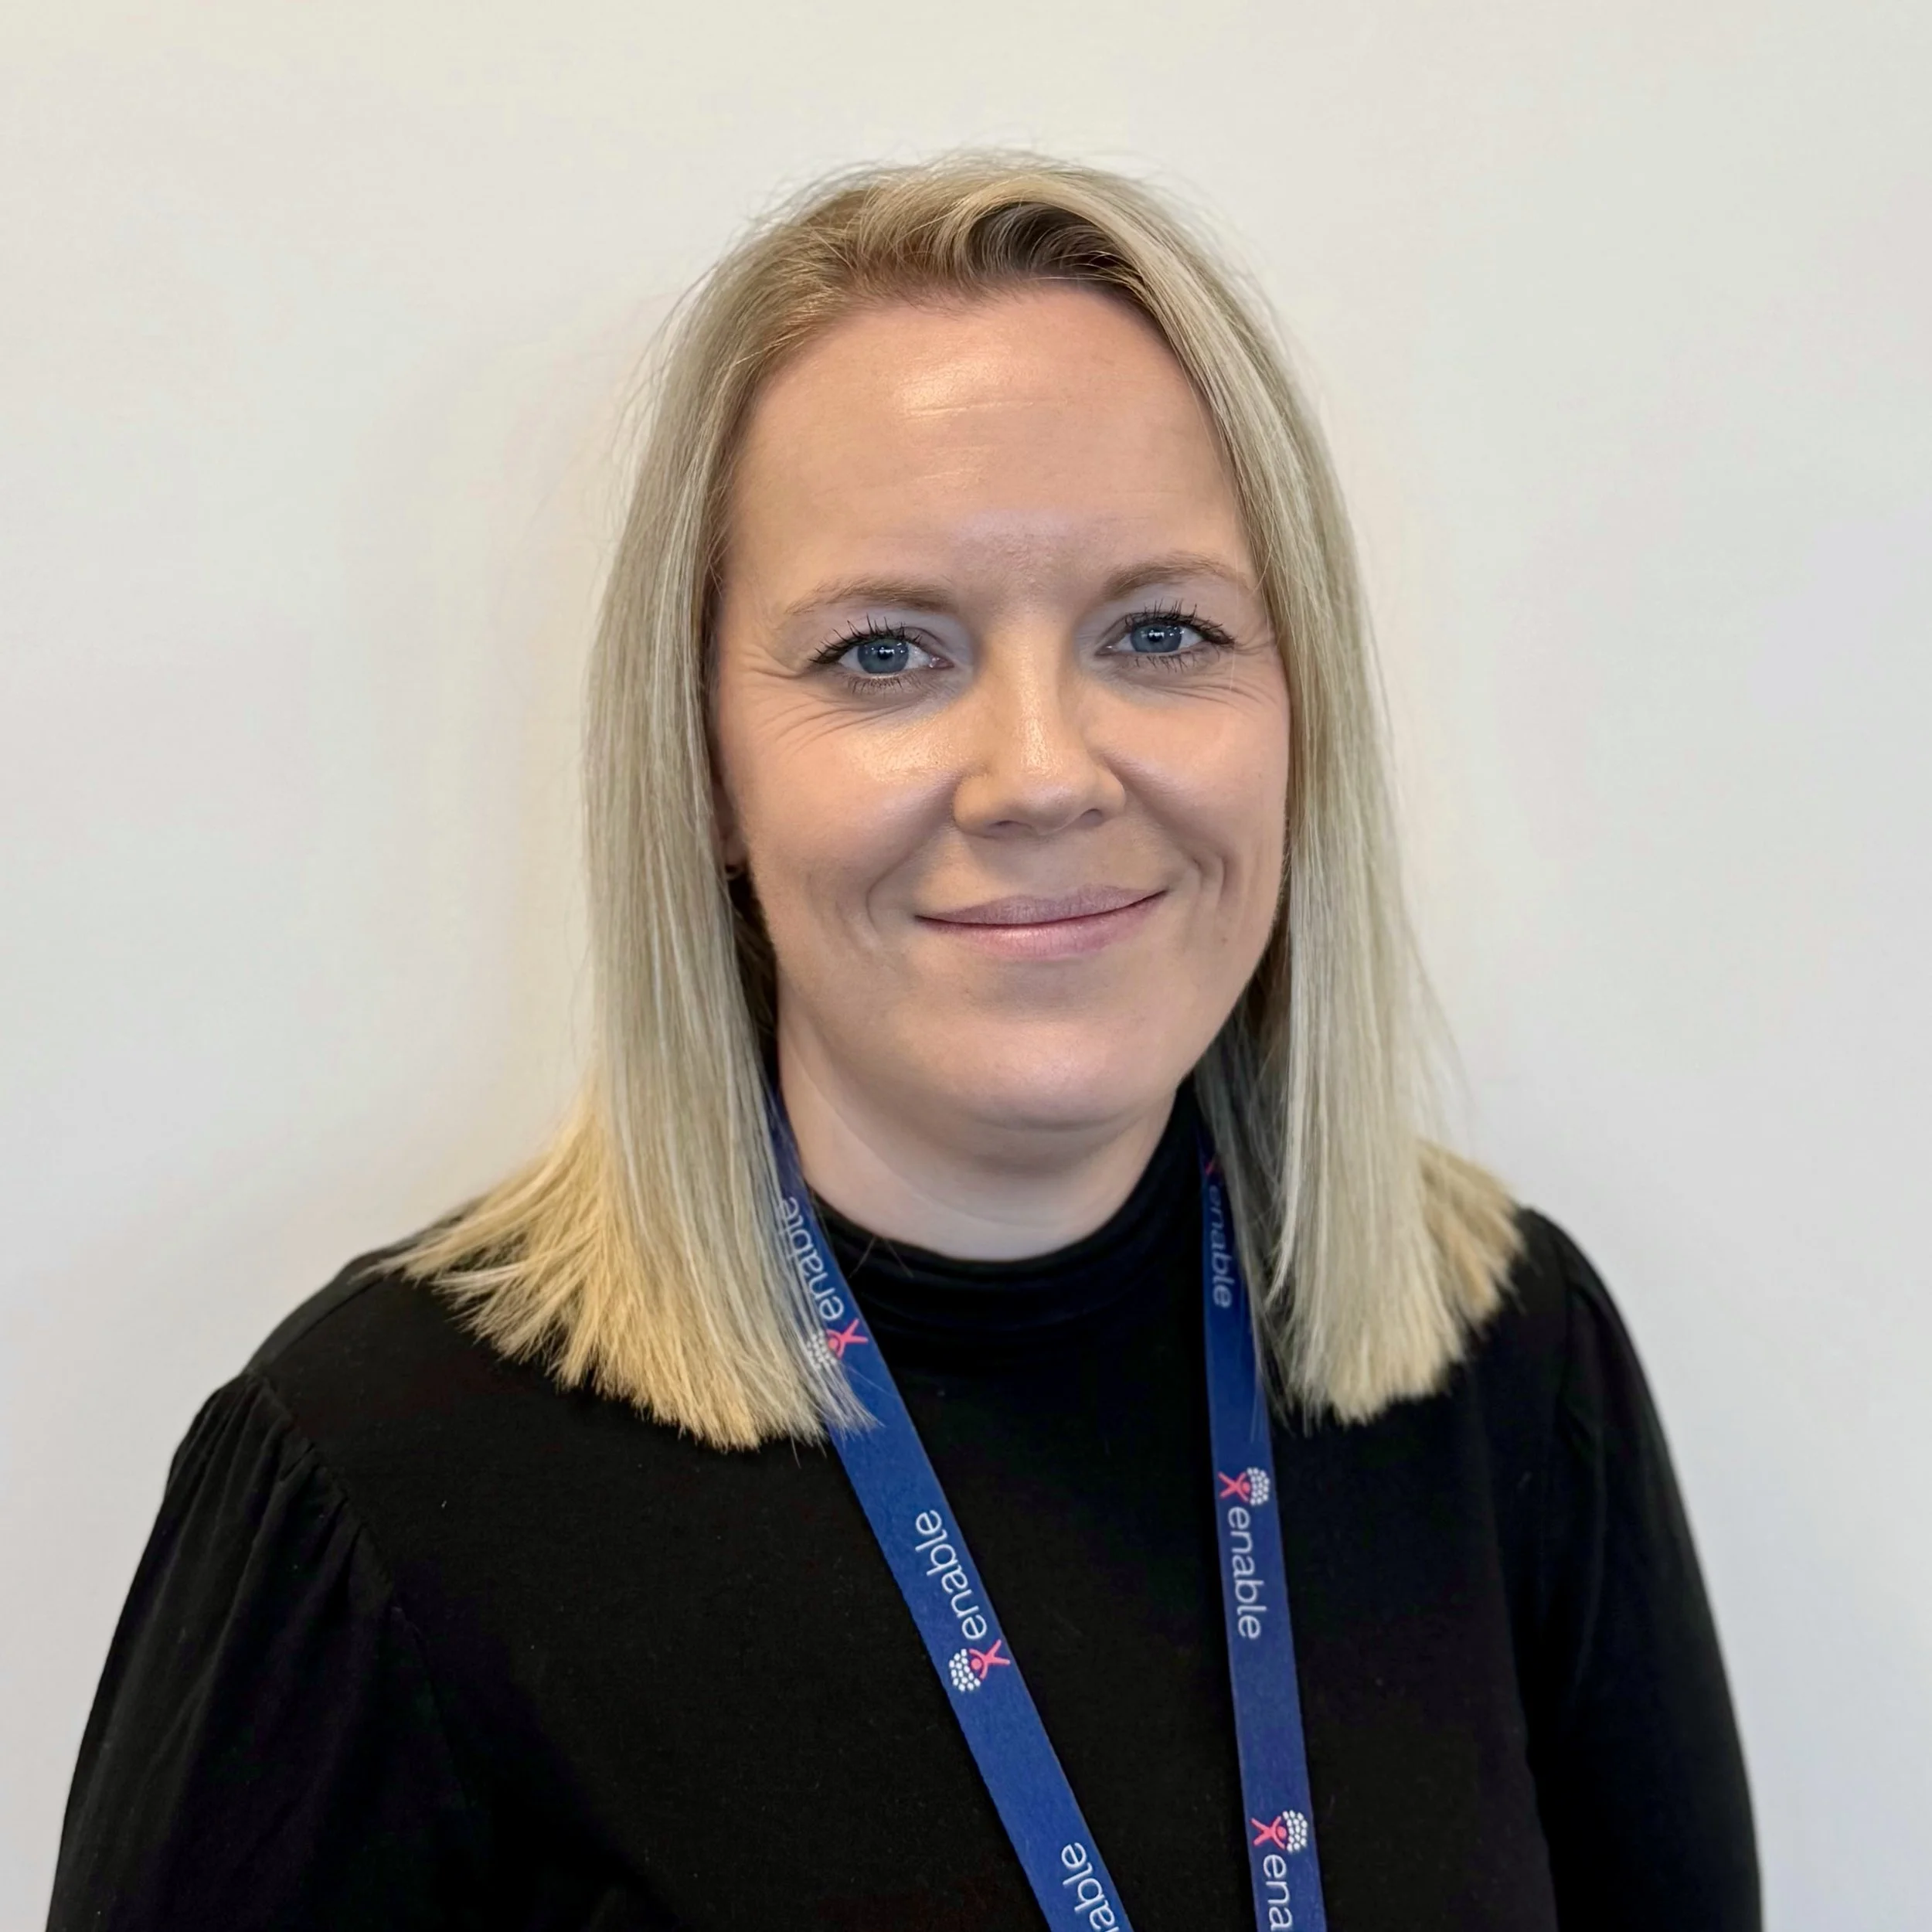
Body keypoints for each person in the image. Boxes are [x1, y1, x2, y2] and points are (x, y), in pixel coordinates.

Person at [49, 154, 1759, 1931]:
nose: (1040, 772)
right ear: (702, 762)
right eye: (884, 654)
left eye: (1159, 629)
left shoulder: (1502, 1369)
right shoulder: (376, 1482)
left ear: (1295, 704)